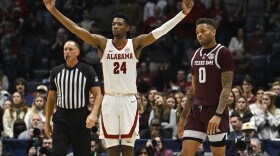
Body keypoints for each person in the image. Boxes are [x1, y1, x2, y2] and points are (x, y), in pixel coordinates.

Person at [43, 0, 194, 155]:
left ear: (127, 28)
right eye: (114, 24)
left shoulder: (135, 44)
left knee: (129, 149)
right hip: (110, 100)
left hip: (129, 100)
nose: (115, 26)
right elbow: (76, 29)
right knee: (112, 149)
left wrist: (182, 14)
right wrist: (53, 11)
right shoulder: (103, 44)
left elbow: (160, 31)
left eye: (120, 24)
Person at [177, 18, 234, 156]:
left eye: (203, 31)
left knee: (218, 154)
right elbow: (193, 90)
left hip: (215, 110)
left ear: (213, 32)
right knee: (185, 153)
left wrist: (218, 115)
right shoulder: (195, 54)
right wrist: (183, 117)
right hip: (196, 111)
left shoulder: (223, 53)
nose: (199, 35)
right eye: (197, 32)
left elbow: (227, 88)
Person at [44, 40, 103, 156]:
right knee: (57, 153)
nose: (67, 52)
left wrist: (93, 114)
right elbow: (51, 99)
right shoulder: (56, 72)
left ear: (78, 52)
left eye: (71, 49)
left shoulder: (88, 70)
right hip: (61, 118)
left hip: (81, 118)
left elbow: (98, 95)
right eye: (65, 49)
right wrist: (47, 122)